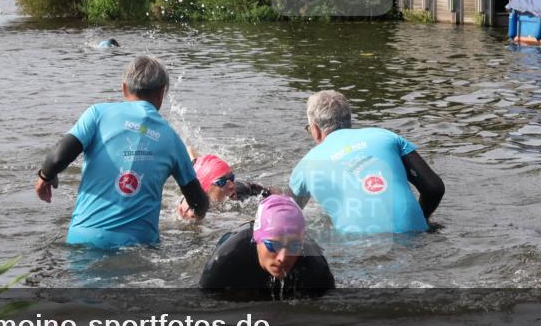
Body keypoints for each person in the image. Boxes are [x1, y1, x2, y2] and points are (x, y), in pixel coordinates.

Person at [34, 56, 208, 248]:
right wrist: (196, 215)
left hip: (82, 240)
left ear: (124, 88)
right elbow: (198, 201)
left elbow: (58, 157)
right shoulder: (172, 140)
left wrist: (45, 176)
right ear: (161, 94)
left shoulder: (97, 114)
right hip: (138, 247)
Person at [289, 90, 444, 234]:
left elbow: (283, 215)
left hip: (359, 246)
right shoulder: (385, 136)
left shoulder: (306, 164)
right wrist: (421, 218)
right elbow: (434, 188)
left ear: (315, 129)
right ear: (349, 120)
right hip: (415, 235)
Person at [200, 194, 334, 296]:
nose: (283, 257)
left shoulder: (315, 266)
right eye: (273, 245)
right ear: (257, 239)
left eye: (293, 247)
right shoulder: (225, 260)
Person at [177, 154, 271, 219]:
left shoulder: (242, 189)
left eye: (231, 178)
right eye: (222, 182)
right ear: (205, 188)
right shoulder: (192, 209)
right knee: (193, 162)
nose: (231, 185)